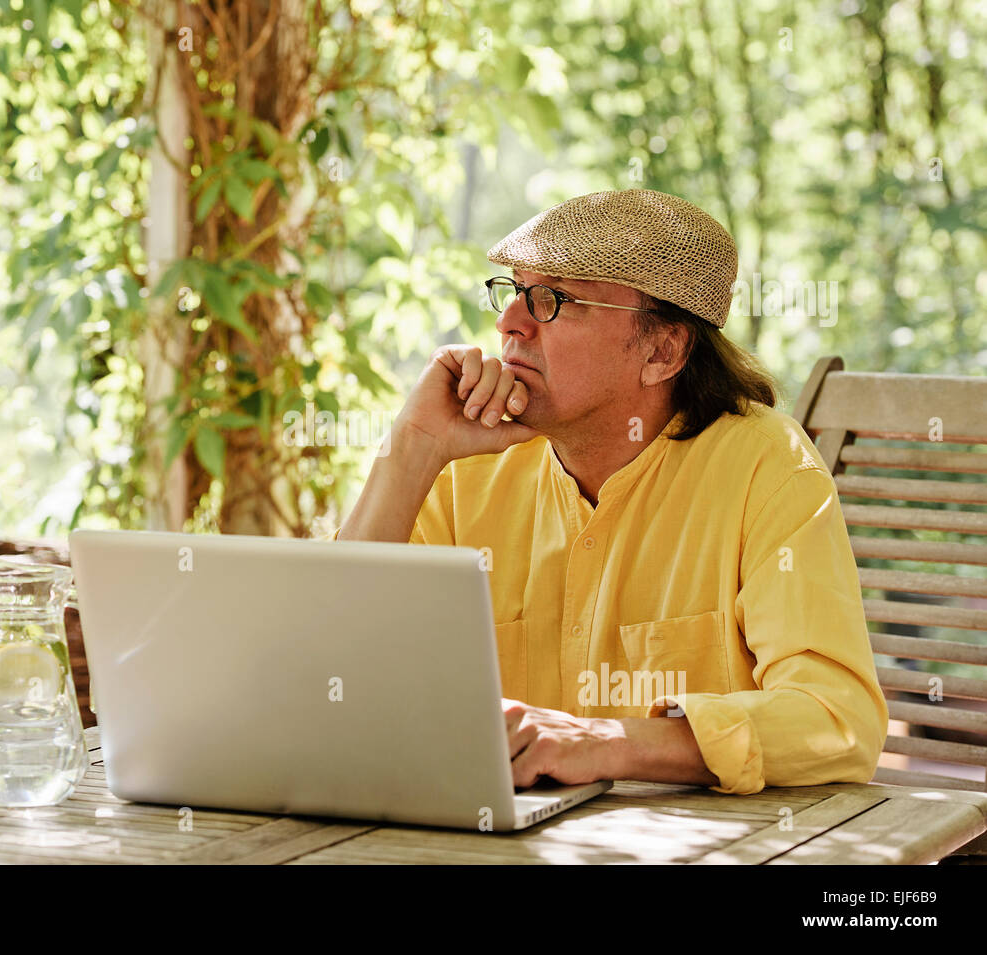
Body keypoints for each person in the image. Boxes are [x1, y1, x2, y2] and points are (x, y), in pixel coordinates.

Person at [334, 189, 887, 795]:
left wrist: (607, 744)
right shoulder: (463, 464)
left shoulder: (768, 467)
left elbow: (837, 720)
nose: (508, 322)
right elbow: (331, 666)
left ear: (662, 349)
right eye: (512, 290)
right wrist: (412, 448)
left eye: (551, 299)